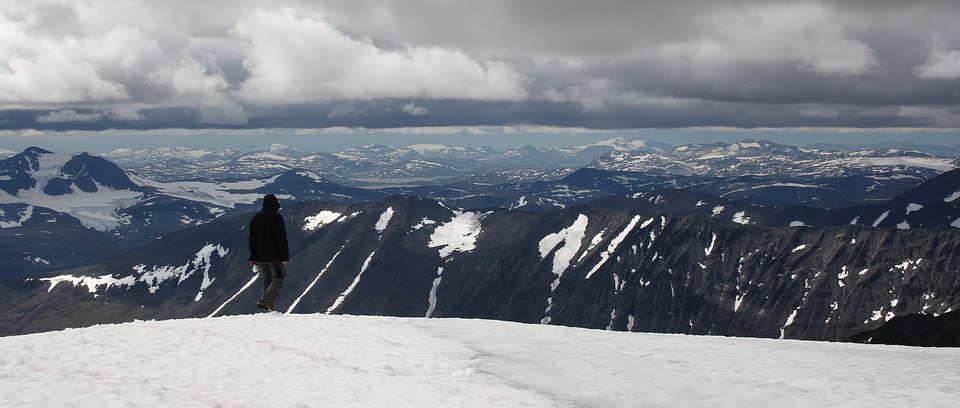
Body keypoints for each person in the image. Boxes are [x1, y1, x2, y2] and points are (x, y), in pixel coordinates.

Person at [249, 194, 289, 312]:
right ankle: (265, 301)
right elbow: (281, 238)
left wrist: (253, 257)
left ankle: (267, 308)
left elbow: (252, 239)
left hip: (260, 257)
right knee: (278, 279)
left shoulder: (256, 218)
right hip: (274, 256)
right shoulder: (276, 218)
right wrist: (284, 256)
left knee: (266, 280)